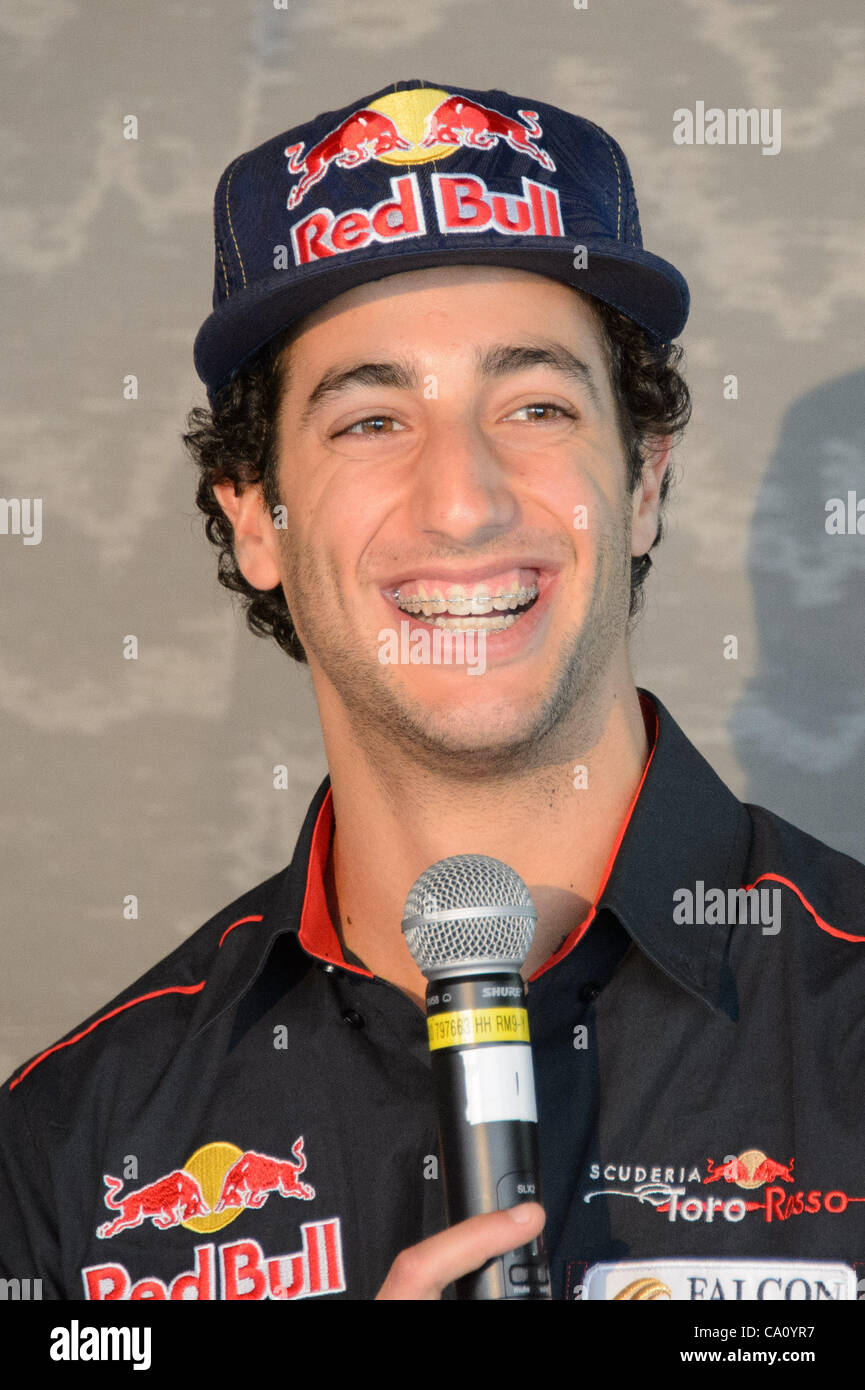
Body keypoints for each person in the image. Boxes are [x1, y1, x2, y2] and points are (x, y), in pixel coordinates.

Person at [2, 78, 864, 1304]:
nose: (463, 500)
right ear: (254, 518)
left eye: (536, 405)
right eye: (369, 420)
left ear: (644, 482)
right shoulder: (69, 1146)